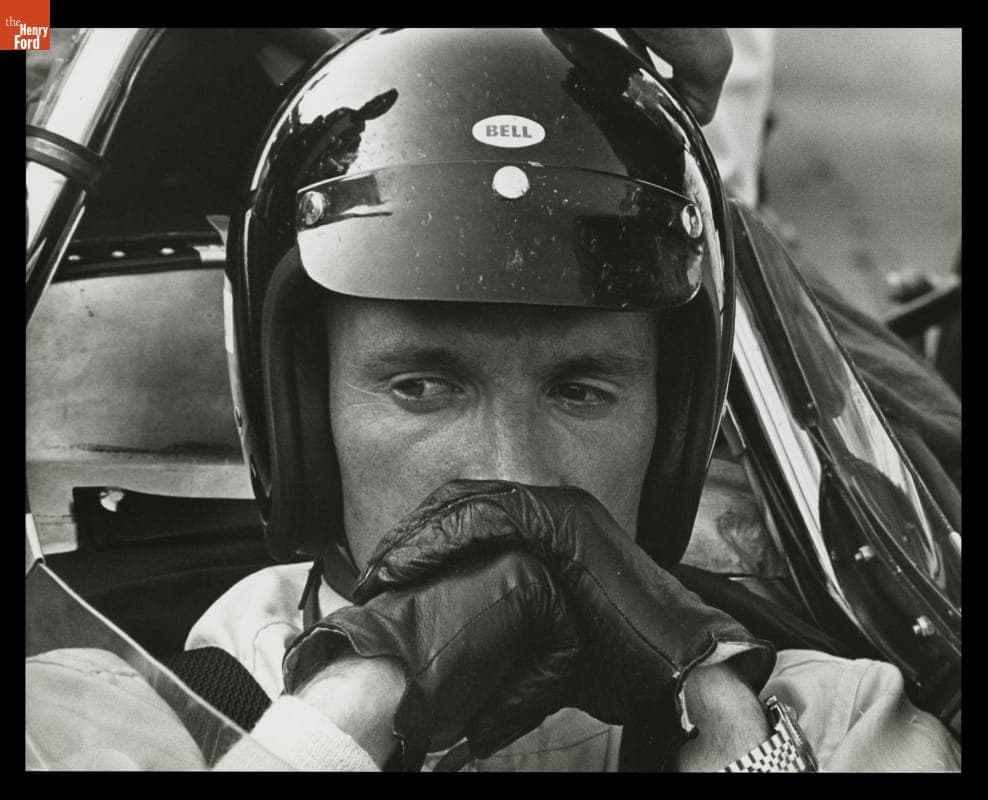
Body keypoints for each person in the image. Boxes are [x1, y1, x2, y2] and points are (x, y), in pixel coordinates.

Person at [28, 27, 959, 772]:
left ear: (671, 436)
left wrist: (716, 708)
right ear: (302, 424)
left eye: (581, 389)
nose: (515, 476)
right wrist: (352, 704)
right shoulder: (102, 715)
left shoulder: (835, 724)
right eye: (424, 386)